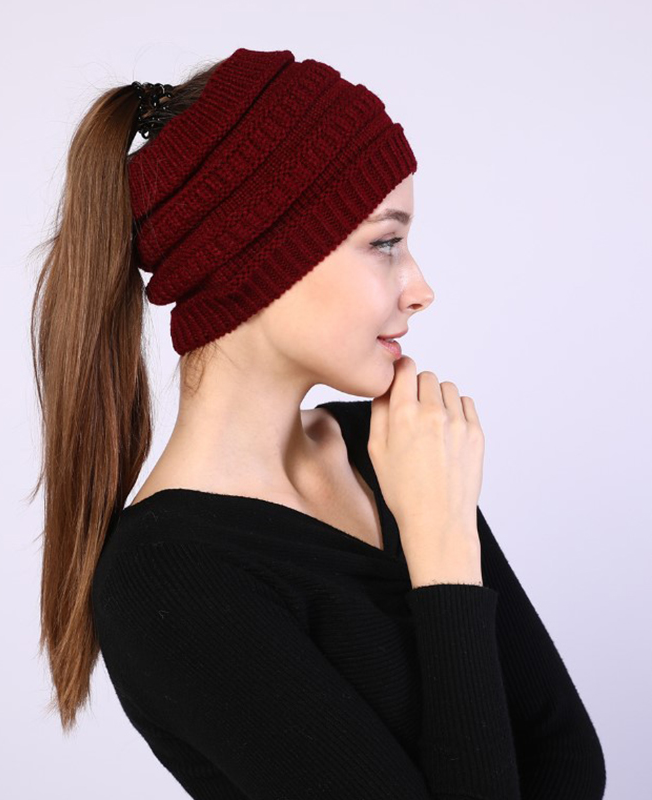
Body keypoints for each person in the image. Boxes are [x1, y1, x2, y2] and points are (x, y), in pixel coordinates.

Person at [31, 47, 606, 799]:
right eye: (385, 242)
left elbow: (568, 759)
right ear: (259, 257)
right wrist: (441, 553)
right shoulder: (168, 578)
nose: (421, 288)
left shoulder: (386, 447)